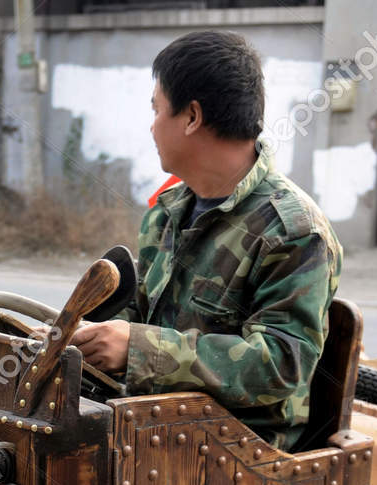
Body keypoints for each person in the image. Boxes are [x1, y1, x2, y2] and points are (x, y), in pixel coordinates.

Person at [70, 30, 342, 453]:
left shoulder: (293, 231)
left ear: (192, 117)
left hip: (237, 455)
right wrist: (86, 336)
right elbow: (143, 310)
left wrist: (138, 349)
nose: (152, 125)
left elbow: (281, 365)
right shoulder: (169, 209)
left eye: (157, 109)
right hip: (151, 424)